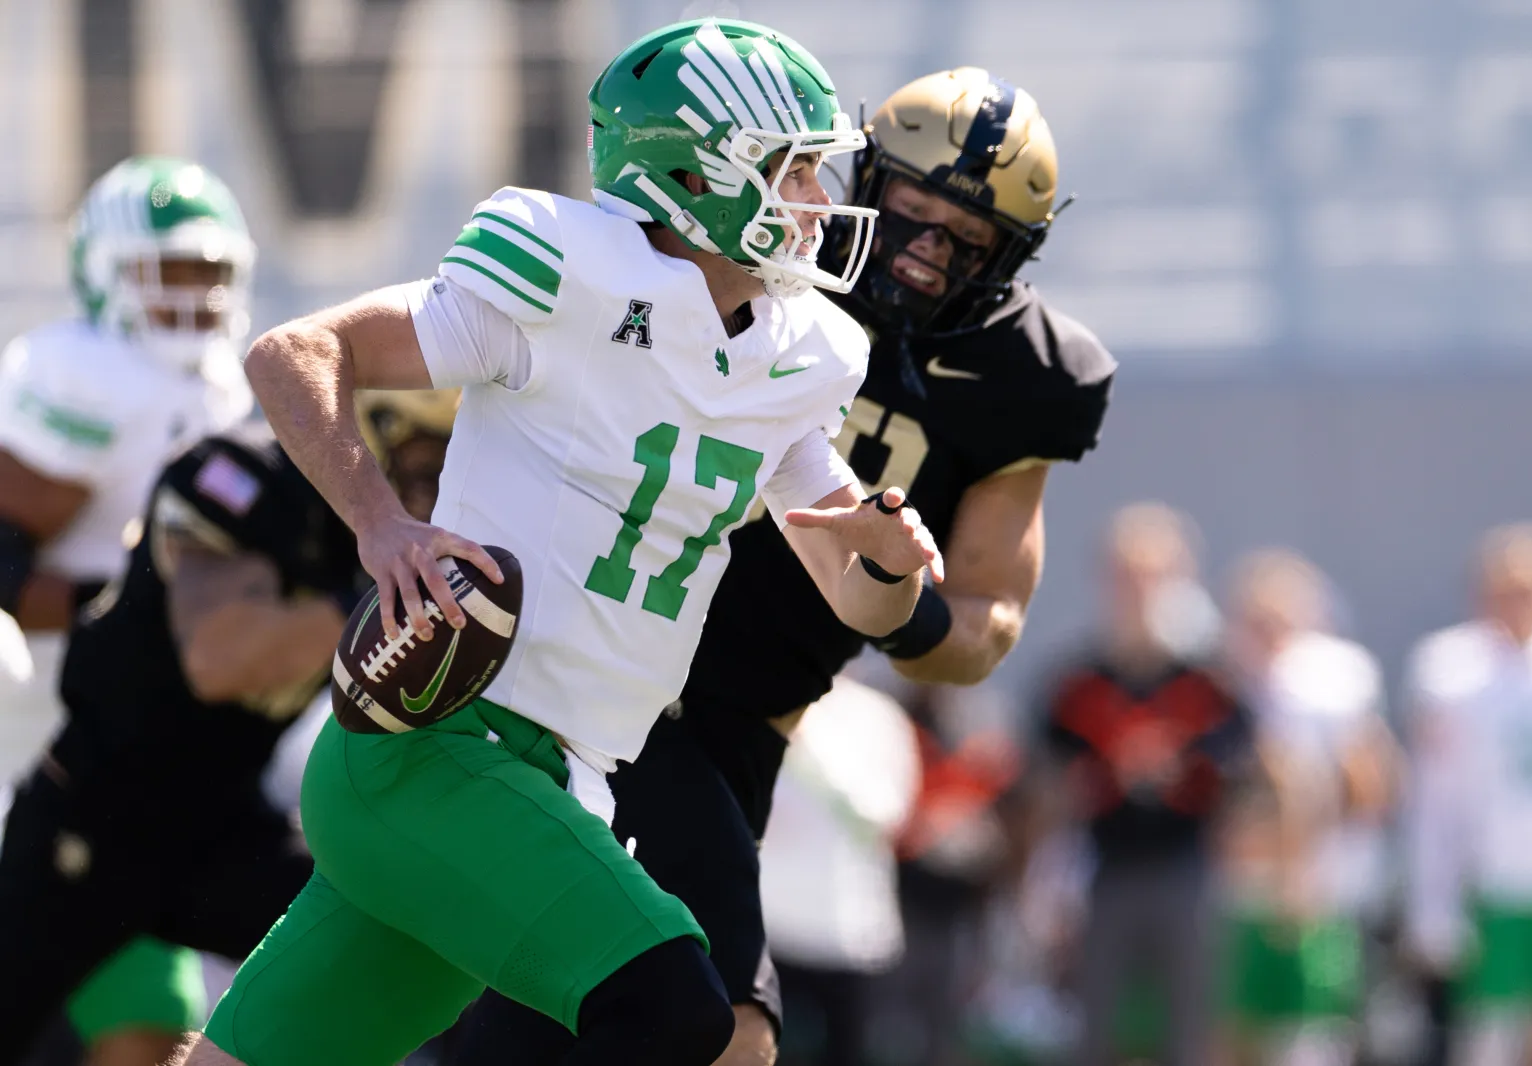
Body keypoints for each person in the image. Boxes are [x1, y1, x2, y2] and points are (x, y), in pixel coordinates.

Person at [178, 18, 941, 1066]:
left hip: (555, 776)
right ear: (697, 171)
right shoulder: (566, 274)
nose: (817, 200)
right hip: (437, 740)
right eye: (794, 169)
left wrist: (891, 564)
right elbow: (297, 352)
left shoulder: (802, 353)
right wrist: (381, 522)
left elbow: (856, 594)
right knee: (677, 1008)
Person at [455, 64, 1115, 1066]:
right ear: (859, 177)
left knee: (600, 1017)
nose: (925, 255)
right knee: (700, 1024)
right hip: (598, 664)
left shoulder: (1029, 375)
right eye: (908, 211)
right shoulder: (758, 261)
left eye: (965, 238)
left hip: (737, 721)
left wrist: (894, 598)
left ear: (1009, 257)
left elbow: (985, 620)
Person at [0, 389, 457, 1063]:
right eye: (425, 466)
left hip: (221, 826)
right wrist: (379, 595)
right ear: (371, 433)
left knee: (404, 935)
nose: (437, 492)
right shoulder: (241, 476)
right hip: (96, 818)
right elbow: (219, 659)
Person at [0, 156, 256, 1066]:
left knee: (150, 1016)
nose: (191, 296)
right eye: (168, 271)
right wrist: (128, 608)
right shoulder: (79, 375)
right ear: (106, 275)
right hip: (36, 749)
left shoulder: (234, 389)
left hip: (152, 762)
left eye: (209, 272)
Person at [1043, 502, 1250, 1066]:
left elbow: (1245, 776)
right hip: (1105, 870)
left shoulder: (1213, 681)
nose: (1139, 590)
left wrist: (1178, 769)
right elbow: (1047, 779)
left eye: (1153, 574)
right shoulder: (1079, 680)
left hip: (1190, 871)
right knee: (1096, 1027)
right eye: (1127, 575)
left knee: (1191, 1025)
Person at [1403, 523, 1532, 1066]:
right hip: (1497, 882)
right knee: (1491, 1038)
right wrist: (1432, 903)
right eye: (1503, 588)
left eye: (1531, 588)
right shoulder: (1451, 672)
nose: (1517, 603)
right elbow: (1436, 797)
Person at [1219, 550, 1399, 1066]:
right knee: (1233, 1026)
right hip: (1237, 886)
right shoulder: (1222, 686)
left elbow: (1370, 784)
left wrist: (1301, 849)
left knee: (1310, 1031)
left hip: (1316, 887)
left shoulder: (1335, 687)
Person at [757, 676, 921, 1066]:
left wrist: (810, 745)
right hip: (767, 939)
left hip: (848, 943)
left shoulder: (876, 716)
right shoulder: (758, 702)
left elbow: (886, 817)